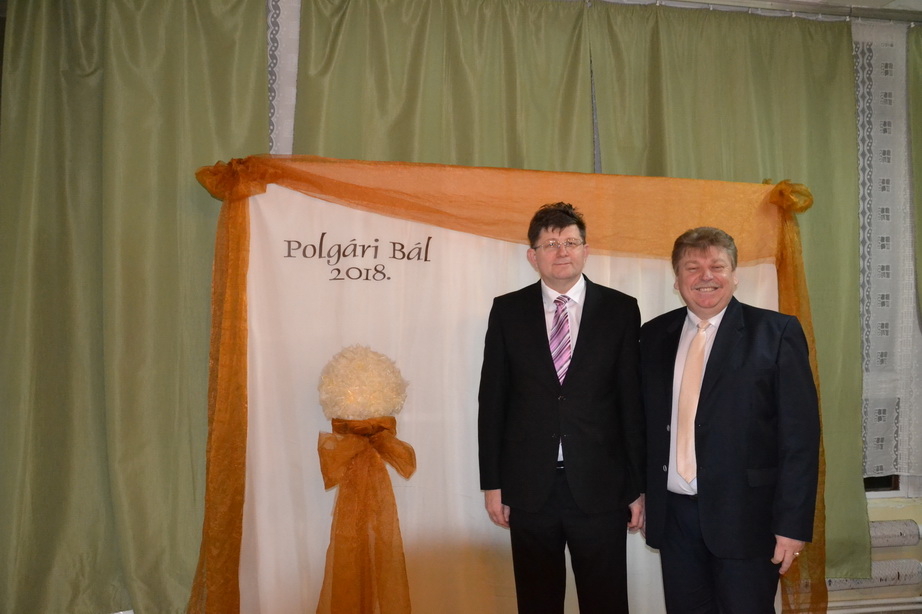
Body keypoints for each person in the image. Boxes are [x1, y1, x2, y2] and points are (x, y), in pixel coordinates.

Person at [640, 227, 820, 613]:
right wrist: (637, 490)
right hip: (675, 520)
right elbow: (643, 425)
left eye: (717, 266)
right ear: (677, 280)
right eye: (692, 267)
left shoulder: (776, 333)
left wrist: (791, 526)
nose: (705, 276)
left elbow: (800, 440)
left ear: (734, 275)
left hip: (748, 520)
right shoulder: (653, 336)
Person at [478, 202, 645, 614]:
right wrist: (493, 483)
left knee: (606, 602)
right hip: (529, 488)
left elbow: (631, 402)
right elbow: (492, 401)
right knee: (537, 602)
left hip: (601, 486)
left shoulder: (621, 309)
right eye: (550, 244)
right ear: (532, 255)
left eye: (570, 242)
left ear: (586, 250)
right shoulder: (508, 311)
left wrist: (637, 486)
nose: (562, 251)